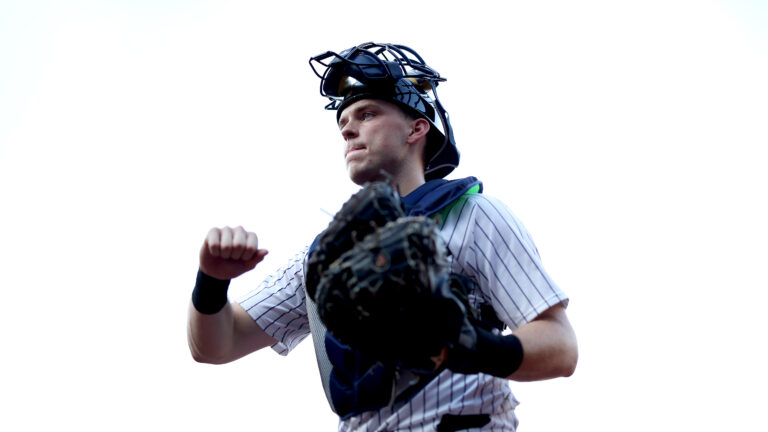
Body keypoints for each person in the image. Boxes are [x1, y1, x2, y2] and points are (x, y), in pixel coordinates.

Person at [187, 42, 578, 431]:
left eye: (367, 113)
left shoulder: (473, 215)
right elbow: (218, 344)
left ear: (417, 127)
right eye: (343, 123)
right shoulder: (326, 257)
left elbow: (561, 347)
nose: (348, 129)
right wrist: (212, 278)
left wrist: (474, 347)